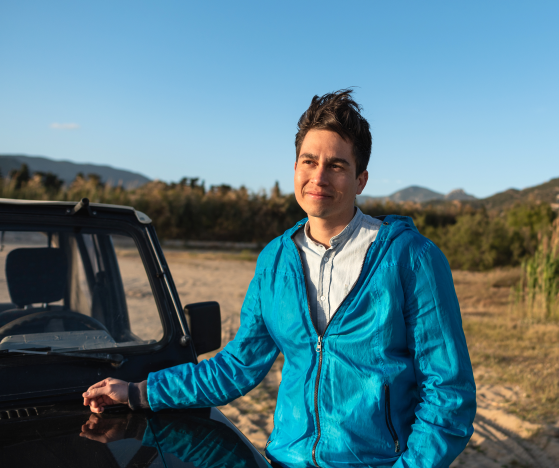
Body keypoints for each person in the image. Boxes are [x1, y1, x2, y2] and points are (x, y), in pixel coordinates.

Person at [82, 89, 476, 468]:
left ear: (360, 180)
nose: (319, 177)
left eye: (337, 165)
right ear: (295, 169)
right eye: (309, 161)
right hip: (285, 460)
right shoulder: (273, 260)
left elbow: (448, 394)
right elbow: (238, 366)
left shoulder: (410, 257)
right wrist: (139, 392)